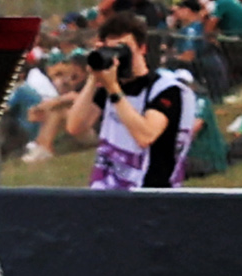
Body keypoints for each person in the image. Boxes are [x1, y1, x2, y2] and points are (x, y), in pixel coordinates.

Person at [86, 30, 204, 191]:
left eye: (123, 48)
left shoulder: (165, 88)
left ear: (142, 48)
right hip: (109, 188)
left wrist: (114, 90)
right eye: (110, 49)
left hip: (150, 191)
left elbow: (146, 136)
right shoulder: (110, 85)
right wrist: (94, 77)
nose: (117, 57)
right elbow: (75, 125)